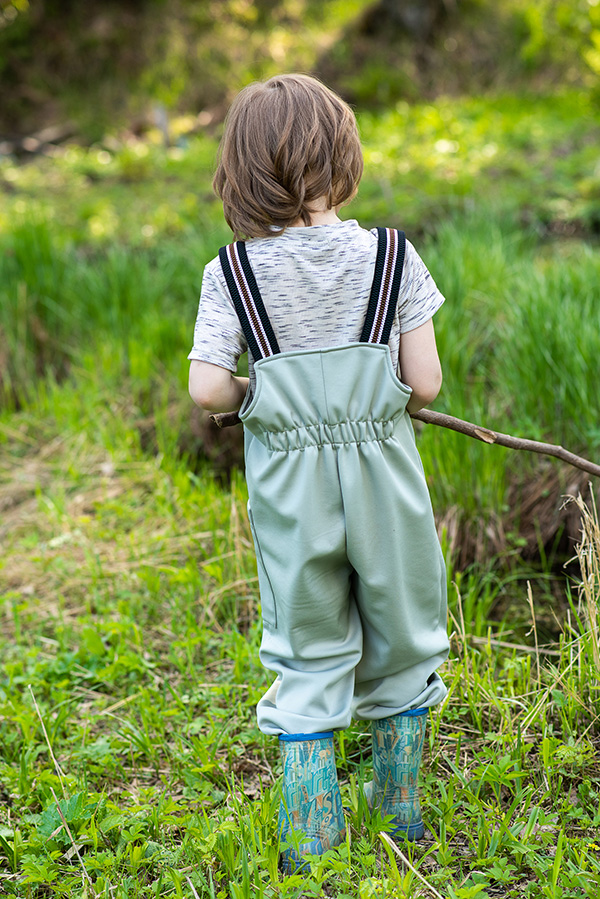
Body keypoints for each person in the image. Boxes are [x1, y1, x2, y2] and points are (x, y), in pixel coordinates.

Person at [188, 73, 449, 872]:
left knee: (304, 639)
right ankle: (399, 807)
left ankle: (312, 832)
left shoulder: (231, 273)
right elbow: (426, 382)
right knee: (403, 626)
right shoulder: (394, 256)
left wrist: (256, 393)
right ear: (345, 156)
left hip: (291, 484)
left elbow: (205, 388)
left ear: (242, 172)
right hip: (384, 472)